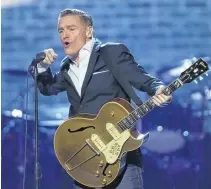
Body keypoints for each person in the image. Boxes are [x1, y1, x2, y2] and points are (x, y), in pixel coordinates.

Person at [29, 8, 172, 189]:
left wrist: (159, 90)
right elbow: (48, 88)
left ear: (88, 31)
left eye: (71, 29)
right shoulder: (66, 67)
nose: (64, 34)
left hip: (120, 156)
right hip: (87, 159)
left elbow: (144, 80)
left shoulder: (111, 53)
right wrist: (41, 67)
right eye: (61, 30)